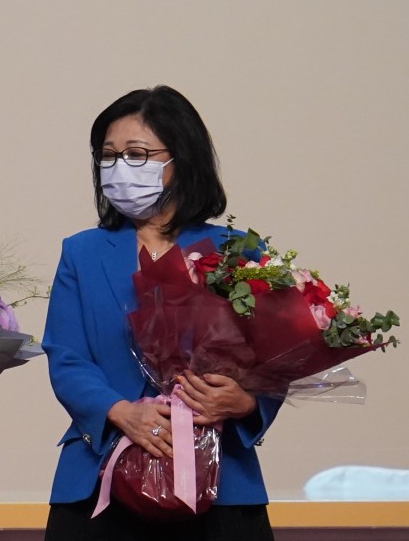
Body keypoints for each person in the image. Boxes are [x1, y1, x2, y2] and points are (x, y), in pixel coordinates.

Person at [42, 85, 282, 540]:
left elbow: (274, 357)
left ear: (181, 160)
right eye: (108, 156)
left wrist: (247, 402)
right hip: (99, 478)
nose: (118, 168)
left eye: (136, 154)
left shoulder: (238, 251)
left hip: (220, 482)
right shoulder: (81, 252)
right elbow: (66, 357)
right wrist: (120, 411)